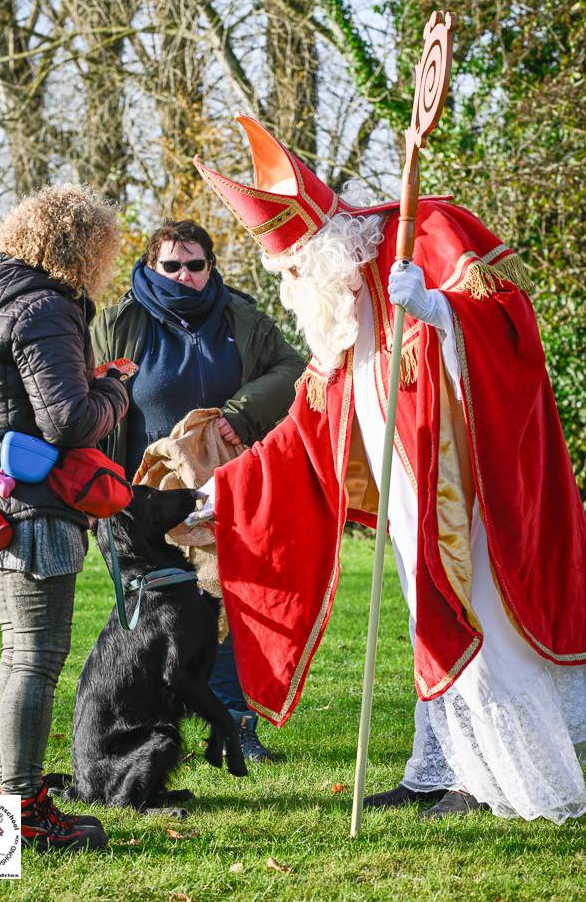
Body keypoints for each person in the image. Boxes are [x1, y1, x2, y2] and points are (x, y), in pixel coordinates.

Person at [193, 115, 586, 822]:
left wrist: (435, 308)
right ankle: (432, 770)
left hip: (470, 492)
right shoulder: (337, 304)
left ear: (323, 247)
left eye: (291, 268)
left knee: (472, 618)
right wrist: (221, 487)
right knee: (426, 620)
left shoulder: (424, 231)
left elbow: (511, 330)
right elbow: (310, 422)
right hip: (410, 501)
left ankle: (486, 781)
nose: (287, 283)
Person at [0, 184, 130, 851]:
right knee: (31, 656)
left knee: (18, 654)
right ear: (82, 247)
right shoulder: (45, 307)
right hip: (30, 503)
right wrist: (112, 388)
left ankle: (15, 809)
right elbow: (69, 419)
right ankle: (19, 815)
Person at [91, 218, 305, 762]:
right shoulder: (118, 322)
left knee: (235, 606)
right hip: (139, 502)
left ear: (210, 266)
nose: (185, 275)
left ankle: (234, 727)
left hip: (230, 493)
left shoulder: (240, 316)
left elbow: (293, 369)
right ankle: (154, 725)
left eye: (195, 264)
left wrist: (242, 412)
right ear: (149, 266)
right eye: (172, 265)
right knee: (153, 614)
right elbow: (84, 393)